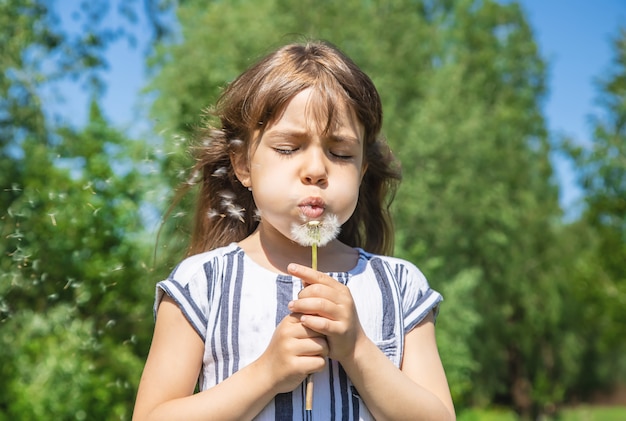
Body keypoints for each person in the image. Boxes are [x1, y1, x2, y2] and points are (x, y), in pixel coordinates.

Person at [133, 40, 456, 421]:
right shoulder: (202, 282)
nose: (316, 169)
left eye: (341, 153)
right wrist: (265, 374)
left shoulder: (400, 287)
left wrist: (357, 349)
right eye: (288, 148)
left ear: (362, 170)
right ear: (243, 165)